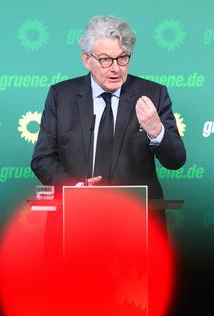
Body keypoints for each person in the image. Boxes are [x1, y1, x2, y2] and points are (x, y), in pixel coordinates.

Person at [31, 15, 186, 200]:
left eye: (122, 58)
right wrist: (73, 188)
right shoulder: (61, 96)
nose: (115, 68)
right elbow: (42, 159)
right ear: (86, 59)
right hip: (77, 211)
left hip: (136, 215)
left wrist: (156, 131)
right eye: (105, 60)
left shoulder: (153, 94)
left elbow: (176, 161)